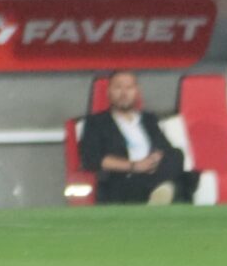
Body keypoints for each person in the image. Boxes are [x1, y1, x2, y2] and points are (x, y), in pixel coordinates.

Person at [78, 69, 193, 205]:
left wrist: (155, 159)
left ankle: (161, 191)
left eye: (129, 88)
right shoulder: (95, 122)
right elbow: (91, 159)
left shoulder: (149, 119)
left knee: (178, 156)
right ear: (109, 91)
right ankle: (163, 191)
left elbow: (164, 148)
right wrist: (135, 166)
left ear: (137, 91)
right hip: (125, 177)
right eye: (118, 87)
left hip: (153, 171)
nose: (124, 93)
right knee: (181, 183)